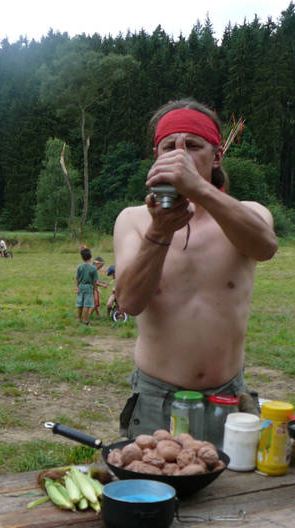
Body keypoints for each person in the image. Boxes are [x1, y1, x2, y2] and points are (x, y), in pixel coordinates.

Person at [113, 99, 278, 438]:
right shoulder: (133, 220)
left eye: (192, 145)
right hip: (157, 398)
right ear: (156, 156)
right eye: (169, 147)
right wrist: (159, 231)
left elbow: (265, 247)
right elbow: (129, 302)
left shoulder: (249, 213)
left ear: (216, 156)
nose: (180, 156)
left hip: (228, 396)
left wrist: (198, 188)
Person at [75, 246, 98, 325]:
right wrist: (95, 290)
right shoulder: (93, 268)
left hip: (81, 286)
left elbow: (77, 278)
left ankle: (79, 319)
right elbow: (95, 281)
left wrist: (77, 287)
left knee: (80, 304)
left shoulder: (80, 266)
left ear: (82, 258)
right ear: (91, 257)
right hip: (89, 287)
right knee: (87, 305)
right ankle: (85, 320)